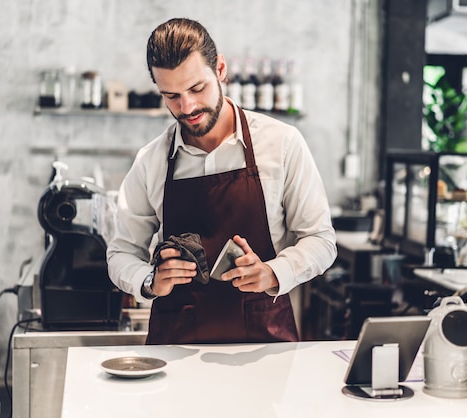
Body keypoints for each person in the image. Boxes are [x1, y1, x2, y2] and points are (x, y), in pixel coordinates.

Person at [107, 17, 336, 344]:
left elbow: (321, 240)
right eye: (171, 96)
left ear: (221, 69)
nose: (187, 107)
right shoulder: (151, 161)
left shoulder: (282, 143)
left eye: (197, 88)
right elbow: (120, 253)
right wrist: (149, 281)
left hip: (264, 350)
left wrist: (272, 273)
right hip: (176, 354)